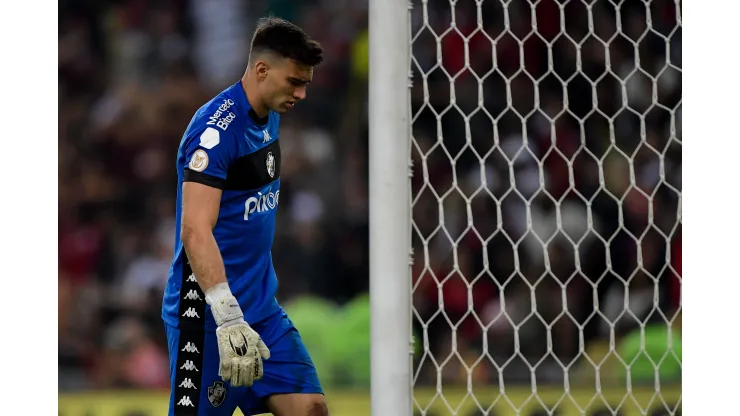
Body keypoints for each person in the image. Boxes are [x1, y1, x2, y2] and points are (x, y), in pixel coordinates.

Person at [161, 17, 328, 416]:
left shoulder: (270, 113)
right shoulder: (214, 132)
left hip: (262, 310)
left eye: (306, 83)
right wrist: (227, 316)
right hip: (206, 317)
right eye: (294, 82)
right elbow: (195, 229)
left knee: (310, 409)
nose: (302, 94)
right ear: (261, 70)